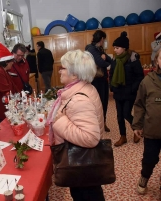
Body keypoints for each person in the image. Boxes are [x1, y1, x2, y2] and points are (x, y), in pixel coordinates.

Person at [47, 50, 105, 201]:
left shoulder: (79, 99)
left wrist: (59, 122)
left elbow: (91, 137)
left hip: (80, 163)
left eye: (63, 67)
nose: (59, 70)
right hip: (84, 163)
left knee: (85, 196)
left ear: (75, 74)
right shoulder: (84, 87)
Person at [133, 48, 161, 195]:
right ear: (157, 61)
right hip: (152, 130)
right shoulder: (148, 81)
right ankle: (144, 177)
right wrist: (137, 124)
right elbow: (139, 104)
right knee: (150, 158)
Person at [109, 31, 144, 147]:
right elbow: (111, 75)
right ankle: (123, 136)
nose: (115, 50)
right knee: (119, 116)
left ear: (124, 48)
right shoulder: (115, 61)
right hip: (118, 92)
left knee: (126, 114)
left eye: (117, 48)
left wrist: (132, 89)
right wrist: (112, 87)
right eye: (114, 48)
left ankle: (136, 130)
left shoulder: (133, 60)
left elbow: (140, 76)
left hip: (129, 93)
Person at [85, 30, 112, 132]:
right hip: (95, 81)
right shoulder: (91, 49)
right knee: (96, 103)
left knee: (104, 102)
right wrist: (104, 59)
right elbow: (102, 62)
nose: (104, 41)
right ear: (101, 39)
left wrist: (105, 58)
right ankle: (96, 124)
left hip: (103, 79)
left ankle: (103, 122)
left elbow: (109, 59)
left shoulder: (99, 48)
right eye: (104, 39)